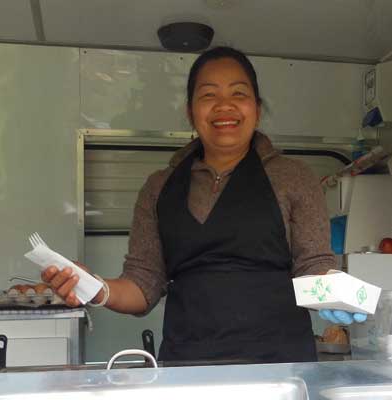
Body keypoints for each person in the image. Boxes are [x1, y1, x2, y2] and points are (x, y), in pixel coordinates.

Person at [42, 46, 366, 364]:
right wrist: (96, 288)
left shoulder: (294, 177)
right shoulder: (158, 187)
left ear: (257, 107)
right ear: (190, 111)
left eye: (238, 94)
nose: (224, 106)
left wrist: (338, 294)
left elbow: (313, 265)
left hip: (279, 367)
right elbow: (142, 285)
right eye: (209, 95)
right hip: (187, 368)